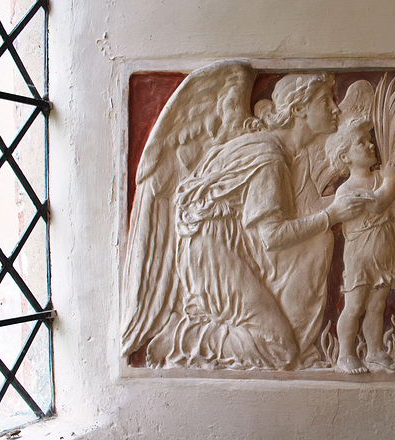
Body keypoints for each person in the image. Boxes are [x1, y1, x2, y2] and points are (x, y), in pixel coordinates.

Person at [149, 73, 367, 370]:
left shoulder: (295, 156)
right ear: (299, 109)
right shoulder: (270, 159)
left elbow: (310, 212)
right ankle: (181, 336)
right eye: (325, 101)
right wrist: (333, 214)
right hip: (212, 248)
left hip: (238, 243)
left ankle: (294, 342)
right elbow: (273, 236)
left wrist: (361, 200)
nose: (335, 108)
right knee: (278, 349)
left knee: (320, 238)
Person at [325, 118, 395, 374]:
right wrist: (392, 182)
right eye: (361, 142)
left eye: (369, 140)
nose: (370, 145)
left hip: (384, 252)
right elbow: (378, 203)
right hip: (360, 259)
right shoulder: (346, 190)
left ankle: (375, 351)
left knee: (377, 305)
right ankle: (346, 354)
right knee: (355, 306)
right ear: (345, 156)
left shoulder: (379, 178)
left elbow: (390, 208)